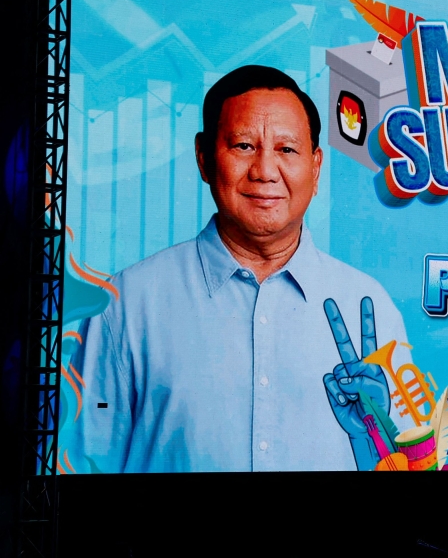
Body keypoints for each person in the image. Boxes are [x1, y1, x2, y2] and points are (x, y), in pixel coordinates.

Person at [69, 65, 406, 472]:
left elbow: (409, 476)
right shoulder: (126, 303)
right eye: (244, 146)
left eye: (287, 150)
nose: (265, 171)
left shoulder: (370, 306)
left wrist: (377, 443)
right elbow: (85, 471)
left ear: (315, 168)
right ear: (204, 158)